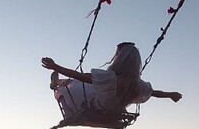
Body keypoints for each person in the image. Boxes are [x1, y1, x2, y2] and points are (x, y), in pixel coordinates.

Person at [41, 42, 182, 119]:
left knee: (75, 84)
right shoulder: (138, 84)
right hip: (115, 110)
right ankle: (58, 82)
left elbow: (79, 75)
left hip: (96, 107)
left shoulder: (109, 78)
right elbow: (154, 93)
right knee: (82, 83)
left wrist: (55, 66)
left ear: (119, 60)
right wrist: (171, 95)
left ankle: (57, 83)